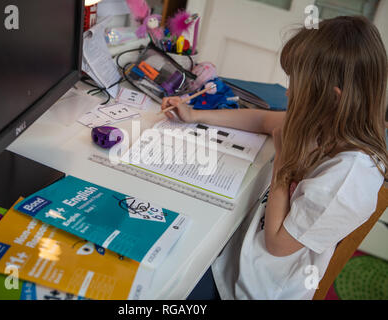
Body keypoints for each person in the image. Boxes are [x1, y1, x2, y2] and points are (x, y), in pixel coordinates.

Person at [162, 16, 388, 300]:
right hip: (236, 253)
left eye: (298, 86)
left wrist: (283, 161)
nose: (289, 92)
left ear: (334, 98)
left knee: (164, 283)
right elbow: (264, 120)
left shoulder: (348, 179)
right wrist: (194, 115)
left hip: (252, 288)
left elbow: (277, 245)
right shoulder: (328, 124)